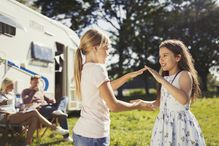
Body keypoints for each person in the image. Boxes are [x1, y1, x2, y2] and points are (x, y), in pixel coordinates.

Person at [73, 28, 147, 146]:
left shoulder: (85, 68)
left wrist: (126, 77)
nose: (108, 53)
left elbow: (103, 90)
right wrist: (137, 105)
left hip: (81, 133)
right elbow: (113, 106)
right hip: (94, 137)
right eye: (106, 48)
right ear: (95, 48)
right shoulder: (98, 69)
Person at [132, 40, 206, 146]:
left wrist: (161, 80)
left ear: (178, 57)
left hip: (180, 125)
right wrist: (141, 102)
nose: (161, 59)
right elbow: (159, 103)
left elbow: (184, 100)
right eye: (160, 56)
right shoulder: (165, 79)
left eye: (165, 55)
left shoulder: (184, 75)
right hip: (164, 125)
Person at [0, 78, 69, 146]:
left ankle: (26, 143)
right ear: (6, 85)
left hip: (15, 115)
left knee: (34, 119)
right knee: (34, 112)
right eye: (12, 85)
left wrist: (22, 108)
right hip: (6, 117)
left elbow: (19, 105)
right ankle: (54, 128)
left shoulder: (12, 95)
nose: (14, 87)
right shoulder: (1, 95)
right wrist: (2, 103)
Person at [21, 75, 73, 142]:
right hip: (40, 109)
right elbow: (25, 101)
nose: (36, 84)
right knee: (62, 114)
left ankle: (59, 110)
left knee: (65, 98)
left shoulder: (41, 91)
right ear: (30, 82)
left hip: (48, 106)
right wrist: (33, 92)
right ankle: (66, 137)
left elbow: (47, 100)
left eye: (38, 82)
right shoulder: (26, 91)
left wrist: (51, 100)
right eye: (35, 82)